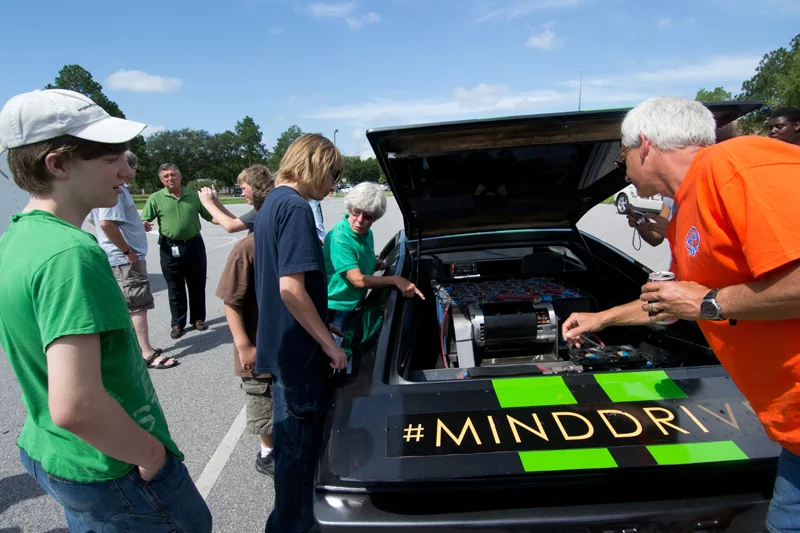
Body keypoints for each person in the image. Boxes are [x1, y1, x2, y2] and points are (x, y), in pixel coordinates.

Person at [561, 96, 800, 533]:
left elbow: (703, 300)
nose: (622, 166)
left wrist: (710, 303)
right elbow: (676, 301)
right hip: (790, 430)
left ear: (646, 145)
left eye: (622, 154)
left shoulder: (737, 162)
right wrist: (602, 319)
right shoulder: (686, 207)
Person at [0, 89, 211, 531]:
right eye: (110, 157)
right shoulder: (71, 253)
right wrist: (151, 455)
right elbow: (76, 405)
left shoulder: (18, 237)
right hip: (111, 466)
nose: (127, 172)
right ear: (57, 164)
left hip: (56, 452)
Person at [253, 133, 347, 533]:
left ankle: (285, 523)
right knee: (299, 458)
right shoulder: (295, 208)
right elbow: (290, 289)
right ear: (317, 163)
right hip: (301, 357)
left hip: (282, 350)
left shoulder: (272, 201)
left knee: (289, 453)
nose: (333, 186)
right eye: (333, 174)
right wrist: (330, 345)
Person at [89, 150, 177, 369]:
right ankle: (146, 353)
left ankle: (137, 348)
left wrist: (135, 224)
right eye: (135, 168)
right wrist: (127, 250)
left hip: (117, 256)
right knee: (137, 306)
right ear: (127, 167)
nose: (135, 172)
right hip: (125, 259)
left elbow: (97, 219)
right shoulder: (116, 191)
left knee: (130, 304)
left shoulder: (102, 189)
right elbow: (105, 223)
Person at [215, 166, 276, 476]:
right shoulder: (247, 248)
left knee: (282, 398)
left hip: (283, 346)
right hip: (256, 344)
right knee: (262, 402)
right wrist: (244, 346)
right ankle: (267, 452)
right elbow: (232, 301)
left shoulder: (288, 244)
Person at [324, 181, 423, 347]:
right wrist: (395, 280)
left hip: (352, 304)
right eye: (356, 212)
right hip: (337, 308)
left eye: (368, 216)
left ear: (375, 218)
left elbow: (362, 255)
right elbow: (357, 280)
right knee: (335, 350)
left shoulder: (366, 233)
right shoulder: (340, 238)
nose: (360, 220)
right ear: (350, 208)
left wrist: (374, 262)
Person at [141, 163, 214, 339]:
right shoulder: (156, 198)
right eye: (165, 176)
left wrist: (227, 219)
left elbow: (210, 216)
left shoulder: (193, 196)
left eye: (173, 175)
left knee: (197, 283)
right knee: (175, 287)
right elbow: (145, 219)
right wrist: (143, 224)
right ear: (161, 180)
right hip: (169, 247)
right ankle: (178, 323)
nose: (170, 179)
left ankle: (198, 318)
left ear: (180, 177)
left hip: (194, 245)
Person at [197, 165, 272, 234]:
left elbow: (231, 226)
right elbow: (235, 221)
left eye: (243, 188)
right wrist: (216, 202)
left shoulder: (264, 208)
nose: (242, 194)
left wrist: (208, 203)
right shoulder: (266, 204)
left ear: (256, 187)